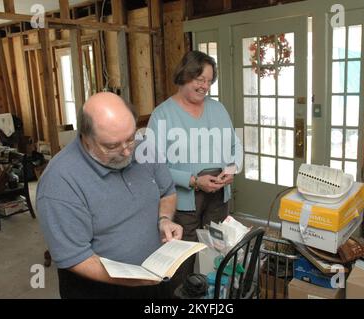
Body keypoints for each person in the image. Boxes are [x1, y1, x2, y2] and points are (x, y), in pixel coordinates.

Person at [36, 92, 183, 299]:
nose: (126, 152)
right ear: (86, 139)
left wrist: (164, 219)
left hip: (155, 277)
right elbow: (75, 257)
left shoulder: (142, 148)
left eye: (130, 138)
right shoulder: (59, 182)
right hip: (103, 290)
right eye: (112, 146)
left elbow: (167, 191)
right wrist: (136, 278)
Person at [146, 51, 243, 282]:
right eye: (200, 79)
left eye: (209, 81)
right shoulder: (162, 116)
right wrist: (192, 181)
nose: (205, 86)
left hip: (219, 198)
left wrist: (232, 168)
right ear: (184, 75)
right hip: (183, 203)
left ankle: (212, 296)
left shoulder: (218, 109)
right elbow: (152, 166)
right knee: (186, 259)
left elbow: (235, 145)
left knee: (216, 252)